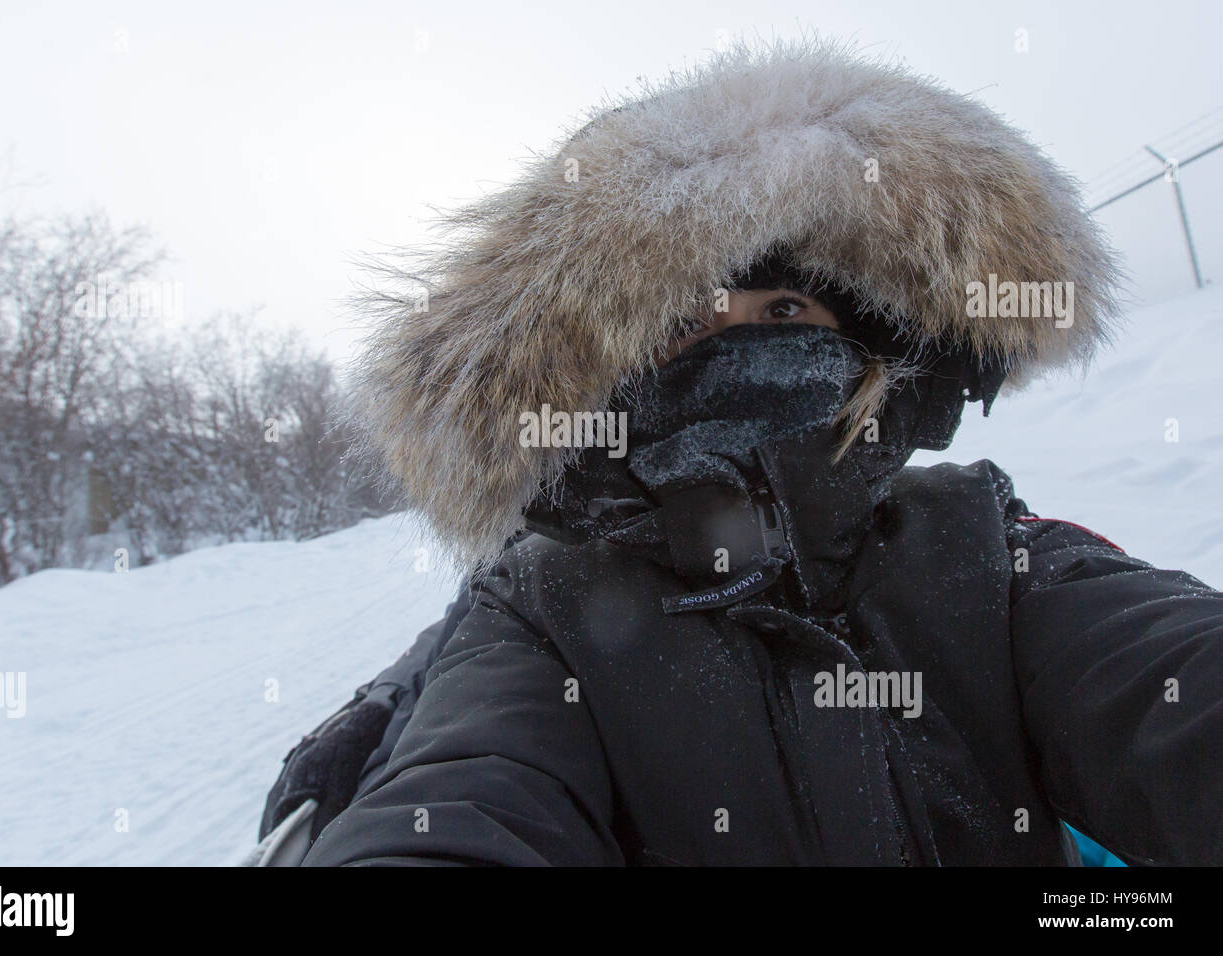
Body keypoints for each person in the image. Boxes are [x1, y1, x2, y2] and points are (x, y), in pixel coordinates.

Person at [286, 39, 1223, 866]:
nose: (742, 350)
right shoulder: (546, 605)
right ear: (614, 374)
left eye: (782, 312)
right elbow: (472, 786)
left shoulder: (983, 544)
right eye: (690, 324)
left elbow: (1161, 676)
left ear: (865, 339)